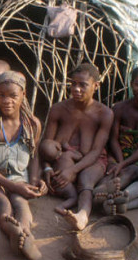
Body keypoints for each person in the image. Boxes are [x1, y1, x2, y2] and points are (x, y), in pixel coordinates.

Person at [0, 71, 46, 260]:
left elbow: (34, 155)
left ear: (23, 95)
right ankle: (12, 230)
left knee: (21, 204)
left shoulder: (32, 124)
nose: (7, 101)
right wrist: (13, 186)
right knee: (2, 204)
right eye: (2, 96)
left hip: (18, 177)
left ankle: (23, 233)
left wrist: (33, 180)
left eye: (13, 96)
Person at [40, 63, 113, 230]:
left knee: (85, 180)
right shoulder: (58, 109)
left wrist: (73, 171)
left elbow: (95, 151)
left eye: (83, 85)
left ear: (96, 86)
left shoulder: (105, 113)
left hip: (92, 160)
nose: (76, 89)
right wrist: (47, 169)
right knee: (60, 169)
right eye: (73, 84)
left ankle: (83, 215)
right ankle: (73, 195)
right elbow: (46, 144)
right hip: (64, 158)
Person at [95, 65, 138, 207]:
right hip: (118, 152)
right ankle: (98, 194)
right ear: (131, 83)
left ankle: (109, 198)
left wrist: (123, 165)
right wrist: (120, 162)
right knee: (111, 171)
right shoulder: (120, 108)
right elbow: (113, 139)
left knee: (131, 171)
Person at [39, 139, 82, 210]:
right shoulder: (68, 154)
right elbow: (80, 156)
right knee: (74, 198)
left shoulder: (51, 161)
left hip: (53, 185)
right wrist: (69, 148)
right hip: (64, 184)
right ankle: (61, 206)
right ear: (58, 147)